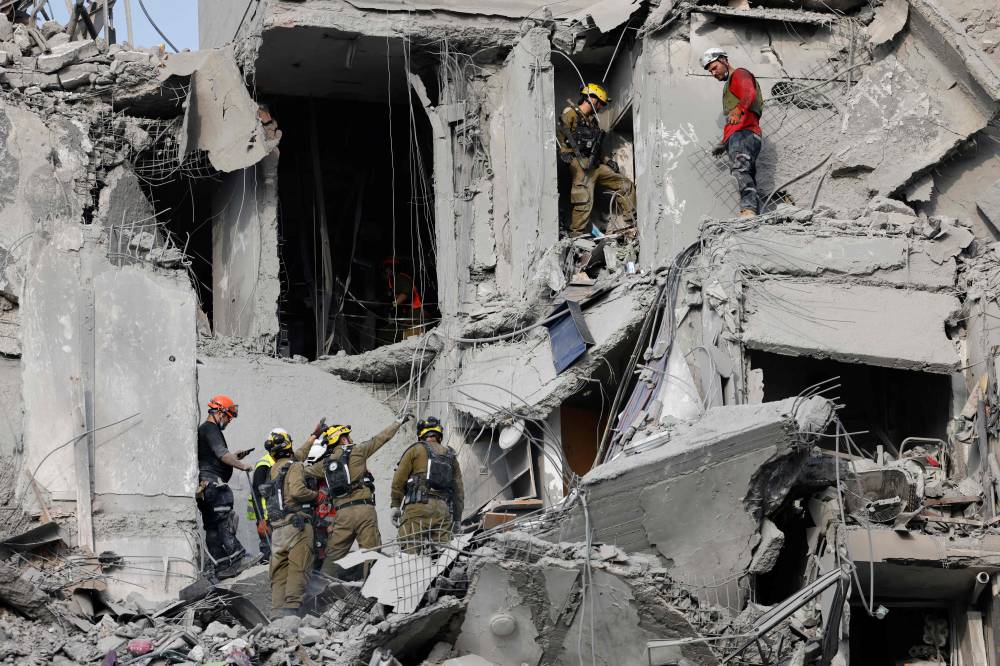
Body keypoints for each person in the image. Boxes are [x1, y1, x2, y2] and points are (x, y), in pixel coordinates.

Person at [307, 416, 411, 578]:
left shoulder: (324, 465)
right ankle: (372, 595)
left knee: (333, 556)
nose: (351, 438)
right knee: (372, 555)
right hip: (365, 511)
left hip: (342, 516)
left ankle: (321, 593)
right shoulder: (359, 451)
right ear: (342, 439)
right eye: (347, 436)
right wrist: (398, 422)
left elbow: (301, 471)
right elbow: (381, 438)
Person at [556, 83, 636, 238]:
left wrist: (607, 161)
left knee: (625, 185)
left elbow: (597, 149)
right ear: (591, 99)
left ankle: (630, 224)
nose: (600, 107)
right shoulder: (570, 113)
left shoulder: (592, 122)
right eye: (600, 103)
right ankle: (576, 235)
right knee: (583, 197)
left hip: (595, 164)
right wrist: (564, 151)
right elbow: (561, 133)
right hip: (580, 163)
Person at [702, 48, 764, 218]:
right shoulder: (729, 85)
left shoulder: (739, 74)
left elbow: (749, 92)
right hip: (740, 134)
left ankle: (749, 210)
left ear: (723, 60)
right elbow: (732, 124)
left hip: (745, 133)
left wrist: (739, 109)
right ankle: (751, 210)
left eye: (714, 67)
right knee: (744, 172)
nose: (713, 73)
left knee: (740, 171)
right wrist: (724, 143)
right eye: (710, 71)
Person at [196, 395, 253, 577]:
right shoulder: (211, 429)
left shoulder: (203, 430)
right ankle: (239, 558)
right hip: (214, 484)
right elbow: (222, 454)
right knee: (225, 522)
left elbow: (217, 457)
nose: (229, 421)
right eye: (228, 417)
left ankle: (221, 567)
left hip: (204, 487)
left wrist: (235, 457)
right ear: (219, 412)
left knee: (212, 527)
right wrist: (242, 465)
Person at [263, 428, 317, 618]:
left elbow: (298, 455)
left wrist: (313, 436)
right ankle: (292, 613)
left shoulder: (274, 469)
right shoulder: (295, 466)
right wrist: (315, 496)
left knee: (279, 573)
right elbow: (297, 492)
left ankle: (277, 613)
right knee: (298, 568)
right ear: (288, 446)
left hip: (278, 530)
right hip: (297, 526)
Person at [390, 417, 464, 554]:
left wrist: (395, 505)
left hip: (417, 509)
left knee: (409, 557)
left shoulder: (415, 450)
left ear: (421, 434)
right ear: (439, 434)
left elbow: (398, 480)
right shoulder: (451, 455)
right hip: (443, 512)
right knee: (443, 558)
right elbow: (458, 491)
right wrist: (458, 519)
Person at [245, 429, 289, 563]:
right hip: (266, 516)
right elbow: (256, 493)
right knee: (268, 551)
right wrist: (261, 520)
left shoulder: (277, 462)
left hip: (274, 514)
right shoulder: (264, 464)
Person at [382, 258, 424, 339]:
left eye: (386, 268)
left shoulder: (400, 278)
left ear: (391, 268)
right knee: (406, 336)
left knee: (413, 338)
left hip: (415, 310)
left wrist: (393, 306)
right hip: (408, 312)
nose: (385, 271)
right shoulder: (392, 280)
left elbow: (405, 294)